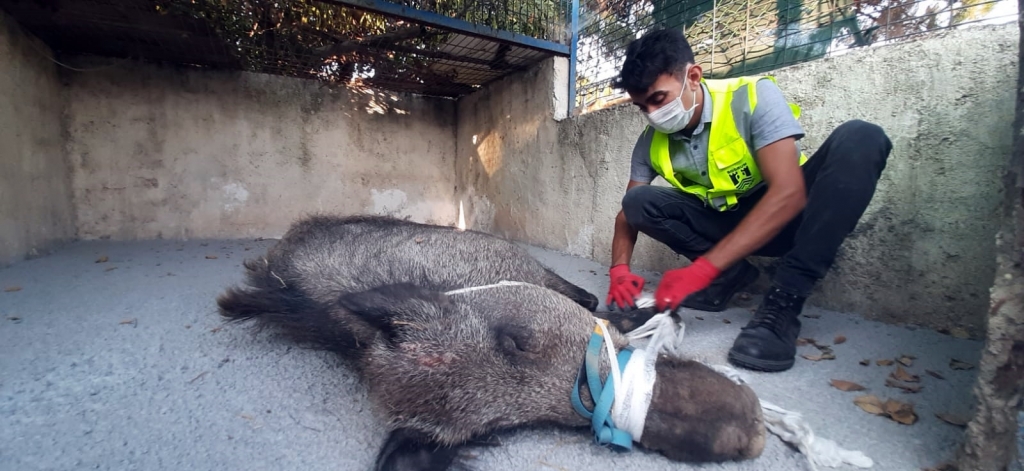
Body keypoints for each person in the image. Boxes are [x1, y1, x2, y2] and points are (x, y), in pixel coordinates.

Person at [604, 28, 892, 372]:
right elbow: (627, 214)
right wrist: (619, 271)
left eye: (659, 99)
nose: (652, 113)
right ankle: (729, 278)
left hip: (787, 219)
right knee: (638, 203)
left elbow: (788, 193)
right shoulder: (650, 143)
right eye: (642, 106)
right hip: (724, 224)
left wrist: (700, 270)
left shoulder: (751, 97)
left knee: (861, 137)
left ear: (692, 77)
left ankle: (783, 303)